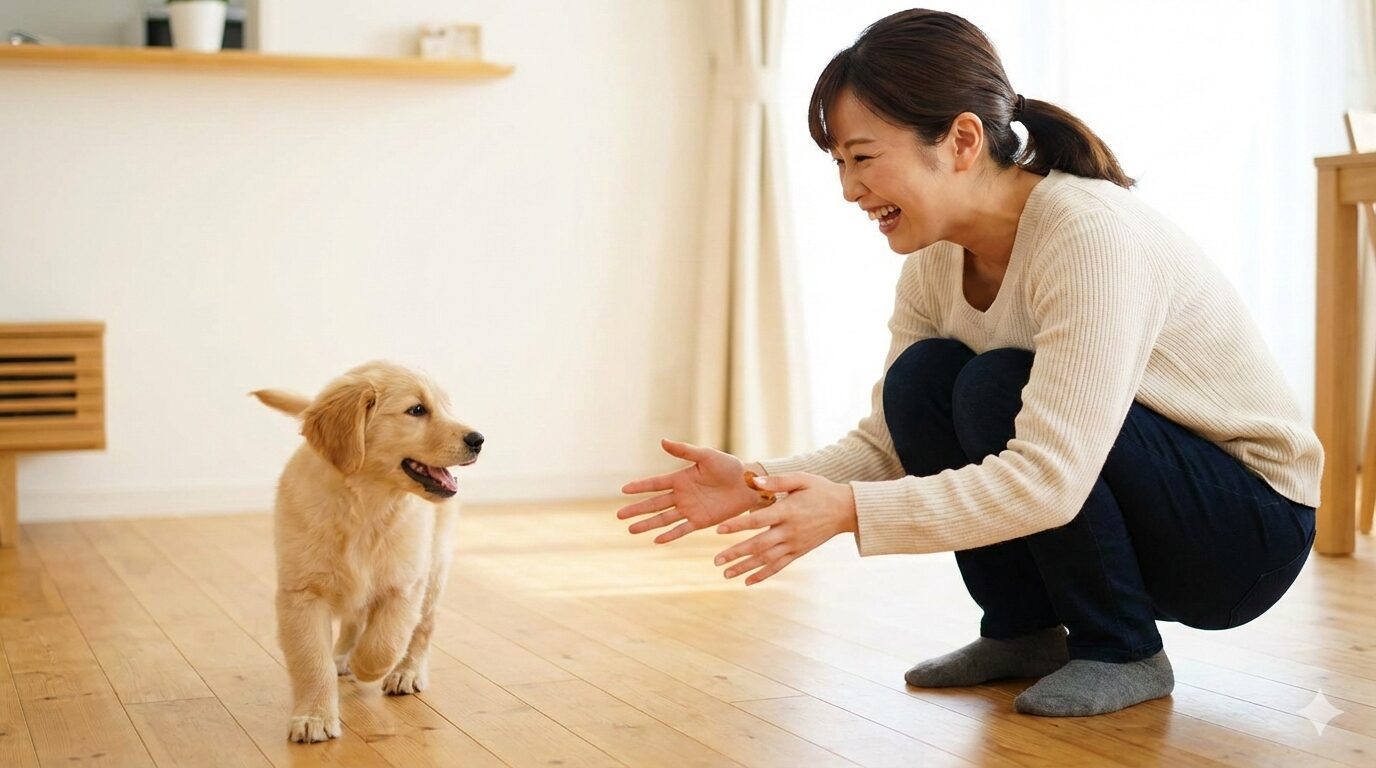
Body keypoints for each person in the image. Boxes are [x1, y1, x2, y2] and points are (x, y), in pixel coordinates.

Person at [617, 8, 1321, 718]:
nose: (848, 189)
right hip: (1150, 507)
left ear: (960, 139)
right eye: (838, 164)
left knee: (994, 387)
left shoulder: (1089, 236)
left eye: (862, 157)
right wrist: (759, 483)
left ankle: (1121, 649)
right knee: (924, 380)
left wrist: (848, 515)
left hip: (1247, 531)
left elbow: (1049, 478)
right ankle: (1024, 631)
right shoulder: (934, 260)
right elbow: (886, 445)